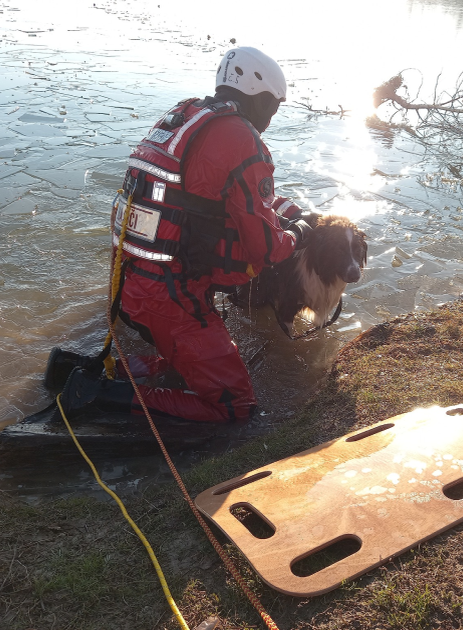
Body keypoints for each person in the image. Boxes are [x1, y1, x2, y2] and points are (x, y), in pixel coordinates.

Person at [104, 46, 312, 423]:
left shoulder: (188, 115)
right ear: (261, 98)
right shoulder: (241, 138)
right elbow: (266, 249)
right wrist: (297, 232)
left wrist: (285, 210)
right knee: (236, 406)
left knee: (188, 357)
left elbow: (206, 194)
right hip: (171, 296)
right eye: (273, 106)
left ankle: (113, 370)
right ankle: (100, 396)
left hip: (131, 281)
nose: (271, 117)